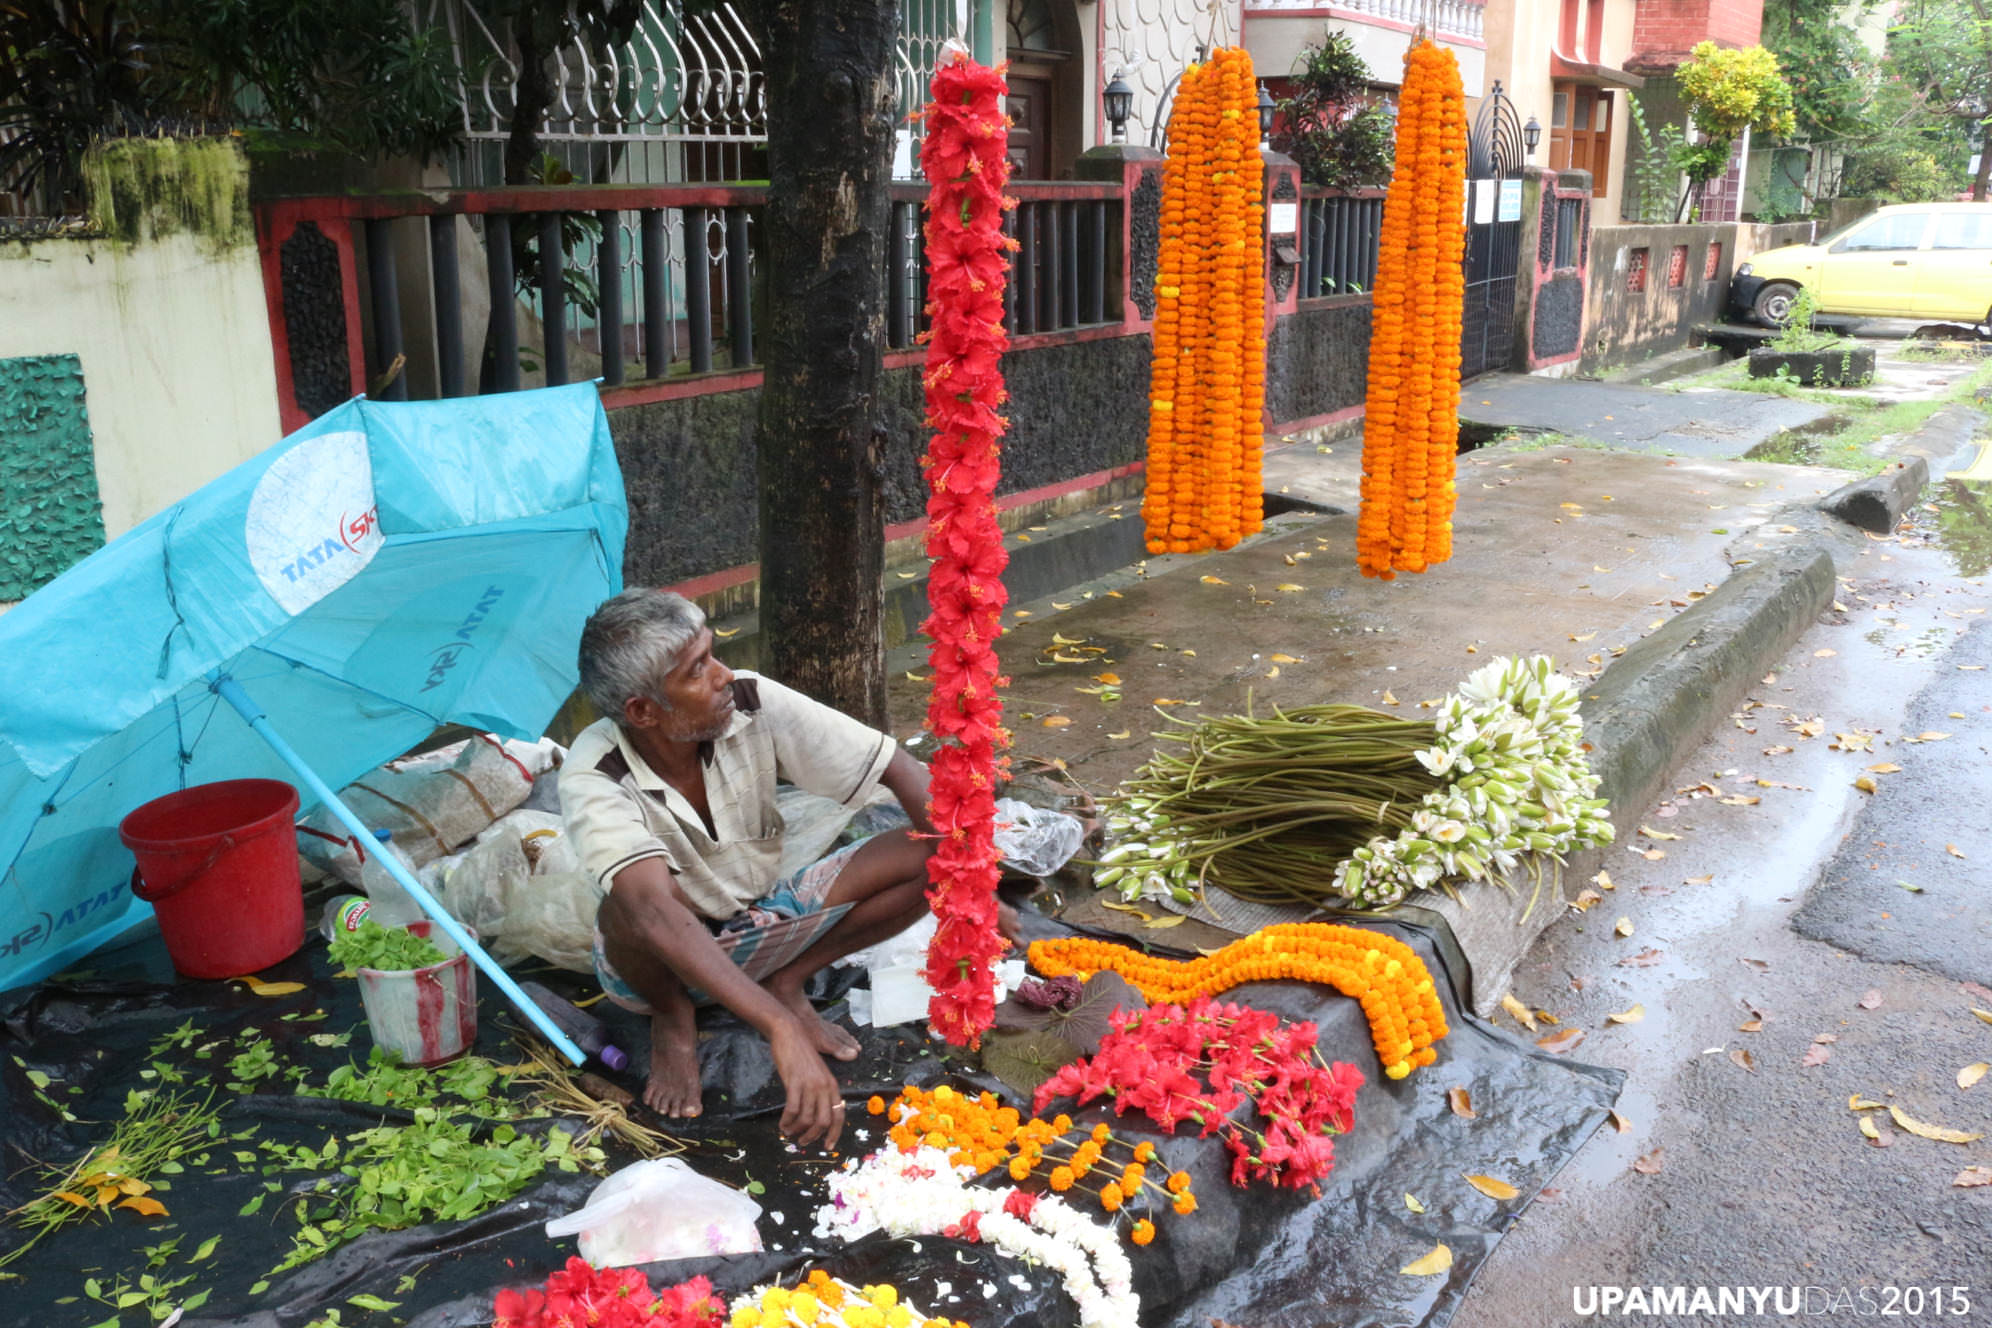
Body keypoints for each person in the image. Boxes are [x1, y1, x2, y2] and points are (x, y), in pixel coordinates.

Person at [560, 588, 1003, 1150]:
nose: (722, 674)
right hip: (656, 966)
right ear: (644, 711)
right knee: (626, 907)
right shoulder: (594, 773)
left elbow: (896, 766)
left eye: (712, 653)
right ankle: (675, 1019)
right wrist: (779, 1028)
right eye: (697, 670)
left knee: (937, 851)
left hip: (761, 921)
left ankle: (788, 979)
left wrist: (976, 893)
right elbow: (651, 912)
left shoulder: (747, 699)